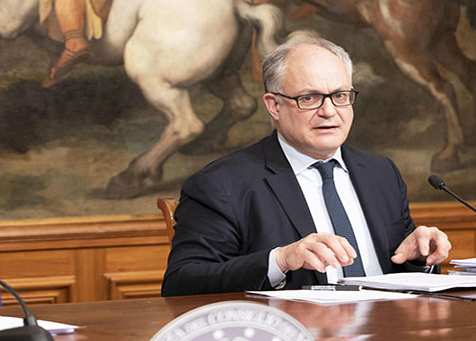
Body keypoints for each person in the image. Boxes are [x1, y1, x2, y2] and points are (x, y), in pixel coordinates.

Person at [162, 37, 451, 296]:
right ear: (274, 105)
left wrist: (419, 257)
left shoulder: (380, 173)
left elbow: (398, 277)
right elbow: (182, 282)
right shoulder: (222, 184)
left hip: (391, 338)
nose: (328, 111)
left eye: (340, 96)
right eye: (309, 98)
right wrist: (281, 260)